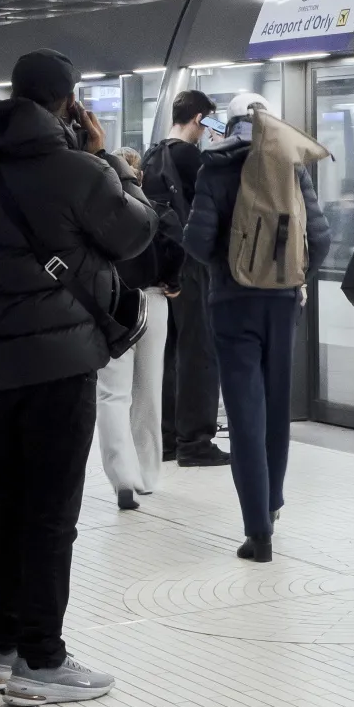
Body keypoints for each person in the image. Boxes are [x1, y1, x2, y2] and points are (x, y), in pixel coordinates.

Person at [0, 49, 156, 707]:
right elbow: (137, 233)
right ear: (69, 102)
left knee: (10, 508)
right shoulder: (78, 172)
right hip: (61, 371)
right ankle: (43, 660)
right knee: (52, 516)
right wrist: (109, 159)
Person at [182, 91, 328, 563]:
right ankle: (274, 500)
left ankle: (257, 530)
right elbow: (320, 237)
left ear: (231, 123)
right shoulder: (292, 166)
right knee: (276, 407)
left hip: (231, 304)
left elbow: (198, 240)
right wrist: (294, 274)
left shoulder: (215, 167)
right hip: (283, 302)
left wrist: (226, 268)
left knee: (245, 413)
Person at [140, 90, 227, 468]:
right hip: (192, 267)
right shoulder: (192, 156)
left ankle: (169, 439)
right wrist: (223, 144)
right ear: (199, 119)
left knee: (170, 353)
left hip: (162, 270)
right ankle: (196, 441)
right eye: (209, 122)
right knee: (199, 353)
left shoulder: (152, 154)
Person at [90, 147, 166, 511]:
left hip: (110, 304)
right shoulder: (151, 212)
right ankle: (148, 474)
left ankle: (123, 478)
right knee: (149, 391)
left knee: (111, 395)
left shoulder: (92, 213)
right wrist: (173, 278)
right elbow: (174, 246)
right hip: (152, 301)